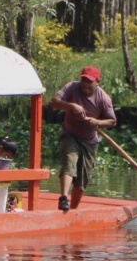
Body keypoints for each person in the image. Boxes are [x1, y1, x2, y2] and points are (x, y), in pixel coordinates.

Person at [48, 66, 116, 211]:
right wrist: (70, 106)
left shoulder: (103, 98)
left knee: (82, 179)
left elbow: (112, 121)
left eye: (89, 81)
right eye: (83, 80)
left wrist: (97, 122)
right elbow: (53, 102)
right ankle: (64, 198)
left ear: (97, 81)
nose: (85, 84)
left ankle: (72, 210)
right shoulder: (72, 87)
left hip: (89, 140)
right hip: (70, 134)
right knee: (69, 160)